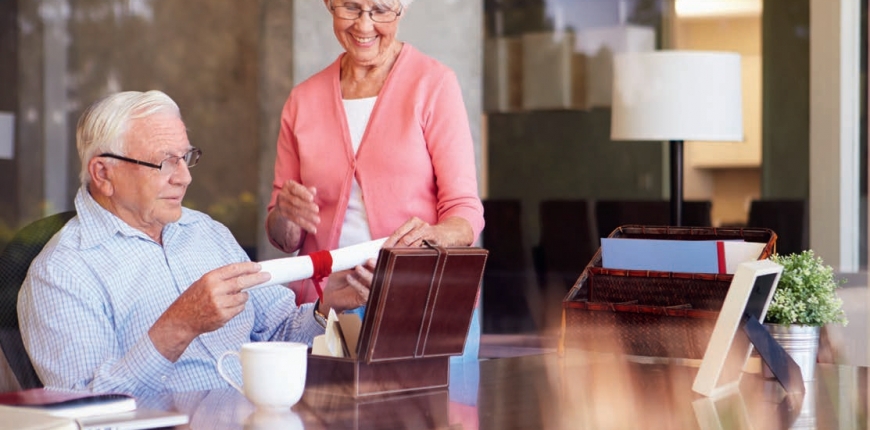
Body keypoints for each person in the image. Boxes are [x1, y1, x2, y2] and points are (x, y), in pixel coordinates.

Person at [18, 90, 372, 397]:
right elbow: (86, 411)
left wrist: (325, 307)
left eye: (185, 158)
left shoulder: (206, 232)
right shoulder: (61, 271)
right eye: (165, 162)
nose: (185, 178)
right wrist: (180, 325)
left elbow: (278, 330)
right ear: (103, 173)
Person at [265, 0, 485, 360]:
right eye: (350, 7)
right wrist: (286, 214)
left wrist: (430, 237)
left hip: (418, 303)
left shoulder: (434, 84)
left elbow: (465, 212)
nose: (364, 25)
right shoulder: (302, 100)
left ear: (402, 10)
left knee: (432, 400)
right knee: (326, 398)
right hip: (326, 311)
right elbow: (283, 238)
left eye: (380, 9)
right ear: (329, 5)